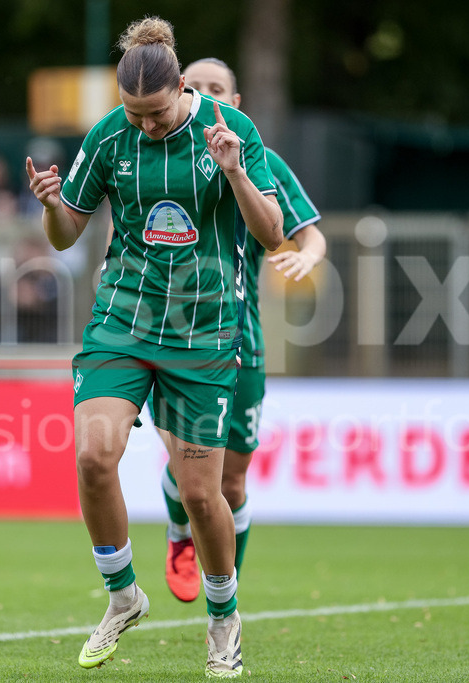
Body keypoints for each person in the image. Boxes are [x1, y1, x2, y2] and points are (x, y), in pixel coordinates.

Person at [25, 16, 282, 678]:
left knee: (200, 495)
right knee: (92, 455)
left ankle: (223, 618)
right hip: (123, 322)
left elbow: (273, 232)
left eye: (157, 113)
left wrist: (235, 173)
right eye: (134, 113)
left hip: (202, 333)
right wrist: (51, 205)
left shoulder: (231, 130)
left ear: (180, 92)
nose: (145, 125)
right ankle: (123, 595)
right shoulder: (110, 136)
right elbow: (65, 233)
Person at [156, 57, 326, 604]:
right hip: (171, 338)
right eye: (199, 87)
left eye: (220, 89)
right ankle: (181, 535)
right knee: (187, 467)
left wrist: (307, 257)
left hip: (240, 341)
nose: (209, 97)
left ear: (236, 102)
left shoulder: (260, 159)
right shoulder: (156, 151)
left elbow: (309, 234)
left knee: (230, 481)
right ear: (181, 93)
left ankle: (225, 588)